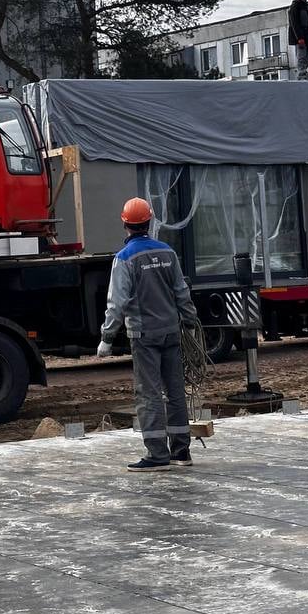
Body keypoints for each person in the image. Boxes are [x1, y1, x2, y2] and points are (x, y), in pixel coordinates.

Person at [96, 197, 196, 471]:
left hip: (144, 336)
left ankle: (157, 454)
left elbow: (116, 303)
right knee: (175, 392)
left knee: (149, 394)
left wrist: (106, 338)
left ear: (125, 224)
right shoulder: (168, 252)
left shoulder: (124, 258)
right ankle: (181, 451)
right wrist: (189, 321)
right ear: (149, 222)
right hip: (171, 332)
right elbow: (181, 292)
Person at [287, 0, 308, 80]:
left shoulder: (306, 6)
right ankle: (301, 75)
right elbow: (294, 23)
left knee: (307, 58)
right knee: (302, 57)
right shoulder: (295, 6)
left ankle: (303, 74)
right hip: (301, 37)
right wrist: (299, 37)